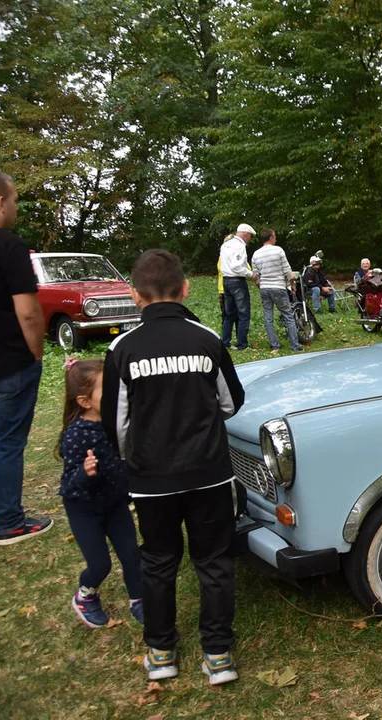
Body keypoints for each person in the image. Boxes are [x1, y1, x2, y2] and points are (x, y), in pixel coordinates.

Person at [102, 249, 245, 686]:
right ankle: (217, 656)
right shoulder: (206, 339)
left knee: (159, 561)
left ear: (134, 295)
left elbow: (116, 423)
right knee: (215, 561)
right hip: (209, 476)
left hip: (151, 481)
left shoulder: (122, 348)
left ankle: (161, 653)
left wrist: (139, 462)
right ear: (184, 290)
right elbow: (230, 402)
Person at [0, 170, 54, 545]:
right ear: (0, 201)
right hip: (8, 361)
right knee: (7, 440)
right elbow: (27, 311)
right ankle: (9, 521)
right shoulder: (8, 246)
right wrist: (35, 353)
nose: (17, 208)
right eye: (16, 200)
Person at [57, 358, 143, 628]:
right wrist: (85, 473)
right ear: (84, 401)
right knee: (100, 564)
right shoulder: (76, 436)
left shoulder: (118, 425)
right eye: (108, 392)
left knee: (132, 556)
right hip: (84, 510)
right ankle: (85, 595)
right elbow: (69, 485)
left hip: (115, 504)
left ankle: (139, 600)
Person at [251, 228, 301, 354]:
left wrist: (260, 285)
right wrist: (292, 284)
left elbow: (255, 275)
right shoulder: (278, 250)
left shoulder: (256, 254)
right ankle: (294, 345)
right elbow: (287, 270)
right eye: (275, 236)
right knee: (288, 316)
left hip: (265, 288)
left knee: (268, 318)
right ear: (271, 238)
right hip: (278, 287)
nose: (276, 238)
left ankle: (274, 346)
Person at [219, 223, 258, 350]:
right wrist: (250, 274)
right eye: (250, 237)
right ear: (245, 234)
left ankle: (225, 342)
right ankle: (242, 344)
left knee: (229, 314)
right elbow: (237, 266)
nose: (250, 239)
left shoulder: (225, 245)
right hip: (237, 282)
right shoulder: (240, 246)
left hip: (226, 281)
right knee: (243, 313)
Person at [216, 234, 235, 326]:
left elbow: (248, 267)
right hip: (224, 289)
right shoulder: (222, 257)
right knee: (226, 315)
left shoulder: (234, 256)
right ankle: (226, 338)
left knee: (235, 315)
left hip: (226, 288)